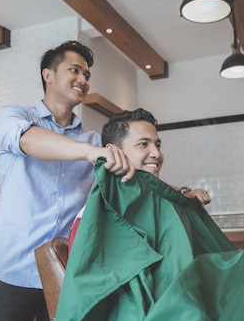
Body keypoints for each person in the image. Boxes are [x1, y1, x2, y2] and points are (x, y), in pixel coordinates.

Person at [0, 40, 135, 321]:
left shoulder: (93, 140)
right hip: (10, 272)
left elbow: (126, 186)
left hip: (66, 277)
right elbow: (27, 141)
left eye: (87, 74)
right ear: (48, 74)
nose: (83, 79)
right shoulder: (15, 116)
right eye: (74, 70)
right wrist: (90, 153)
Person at [67, 108, 211, 252]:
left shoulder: (153, 206)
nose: (156, 153)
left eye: (158, 145)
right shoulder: (93, 219)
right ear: (112, 151)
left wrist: (183, 195)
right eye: (143, 144)